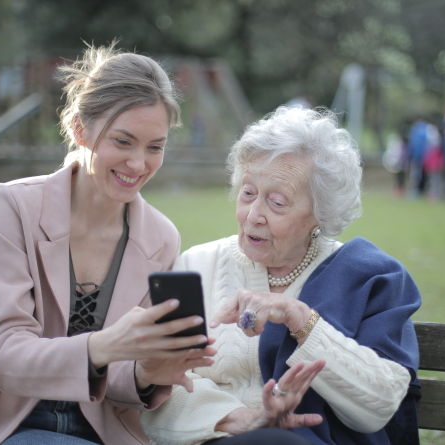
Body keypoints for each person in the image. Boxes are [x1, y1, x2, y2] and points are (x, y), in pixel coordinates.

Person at [0, 42, 216, 445]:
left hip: (106, 433)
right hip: (17, 425)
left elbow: (121, 376)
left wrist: (145, 373)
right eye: (123, 141)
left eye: (155, 147)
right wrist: (103, 345)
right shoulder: (12, 208)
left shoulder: (161, 238)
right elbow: (4, 357)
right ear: (80, 129)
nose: (138, 164)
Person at [141, 107, 422, 445]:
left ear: (321, 213)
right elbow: (157, 383)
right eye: (247, 193)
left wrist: (300, 318)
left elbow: (380, 405)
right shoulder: (197, 265)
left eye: (276, 202)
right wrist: (241, 419)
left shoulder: (370, 276)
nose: (253, 215)